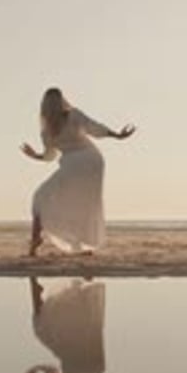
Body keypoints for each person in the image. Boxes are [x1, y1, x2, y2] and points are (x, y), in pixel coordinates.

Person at [21, 87, 136, 255]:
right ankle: (74, 245)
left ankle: (36, 240)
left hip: (80, 162)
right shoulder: (63, 121)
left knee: (41, 196)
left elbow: (48, 156)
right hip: (92, 161)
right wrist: (117, 135)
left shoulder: (53, 128)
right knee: (78, 202)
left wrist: (35, 156)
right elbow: (94, 128)